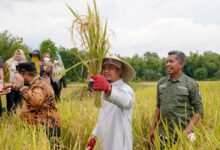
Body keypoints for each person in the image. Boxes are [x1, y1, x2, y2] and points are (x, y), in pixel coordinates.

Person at [149, 50, 204, 148]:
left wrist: (186, 132)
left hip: (184, 136)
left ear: (181, 64)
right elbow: (158, 107)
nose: (167, 64)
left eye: (171, 61)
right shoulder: (161, 83)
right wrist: (152, 128)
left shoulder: (191, 84)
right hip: (163, 136)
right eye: (167, 61)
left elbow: (199, 111)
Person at [86, 55, 136, 150]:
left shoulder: (126, 90)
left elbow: (126, 101)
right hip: (104, 140)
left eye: (111, 67)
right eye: (104, 67)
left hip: (119, 141)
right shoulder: (104, 91)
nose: (106, 70)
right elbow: (103, 118)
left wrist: (108, 88)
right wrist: (94, 135)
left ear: (119, 71)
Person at [14, 61, 61, 139]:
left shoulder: (40, 84)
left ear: (25, 73)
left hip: (46, 128)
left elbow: (36, 102)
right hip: (39, 127)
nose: (18, 77)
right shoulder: (34, 83)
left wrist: (22, 87)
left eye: (19, 74)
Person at [3, 49, 26, 115]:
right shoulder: (8, 61)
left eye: (19, 54)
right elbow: (4, 72)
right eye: (16, 53)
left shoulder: (24, 63)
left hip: (20, 86)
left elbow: (25, 75)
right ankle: (10, 117)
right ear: (14, 54)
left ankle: (18, 117)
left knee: (19, 102)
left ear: (22, 55)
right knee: (10, 102)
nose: (17, 55)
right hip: (10, 85)